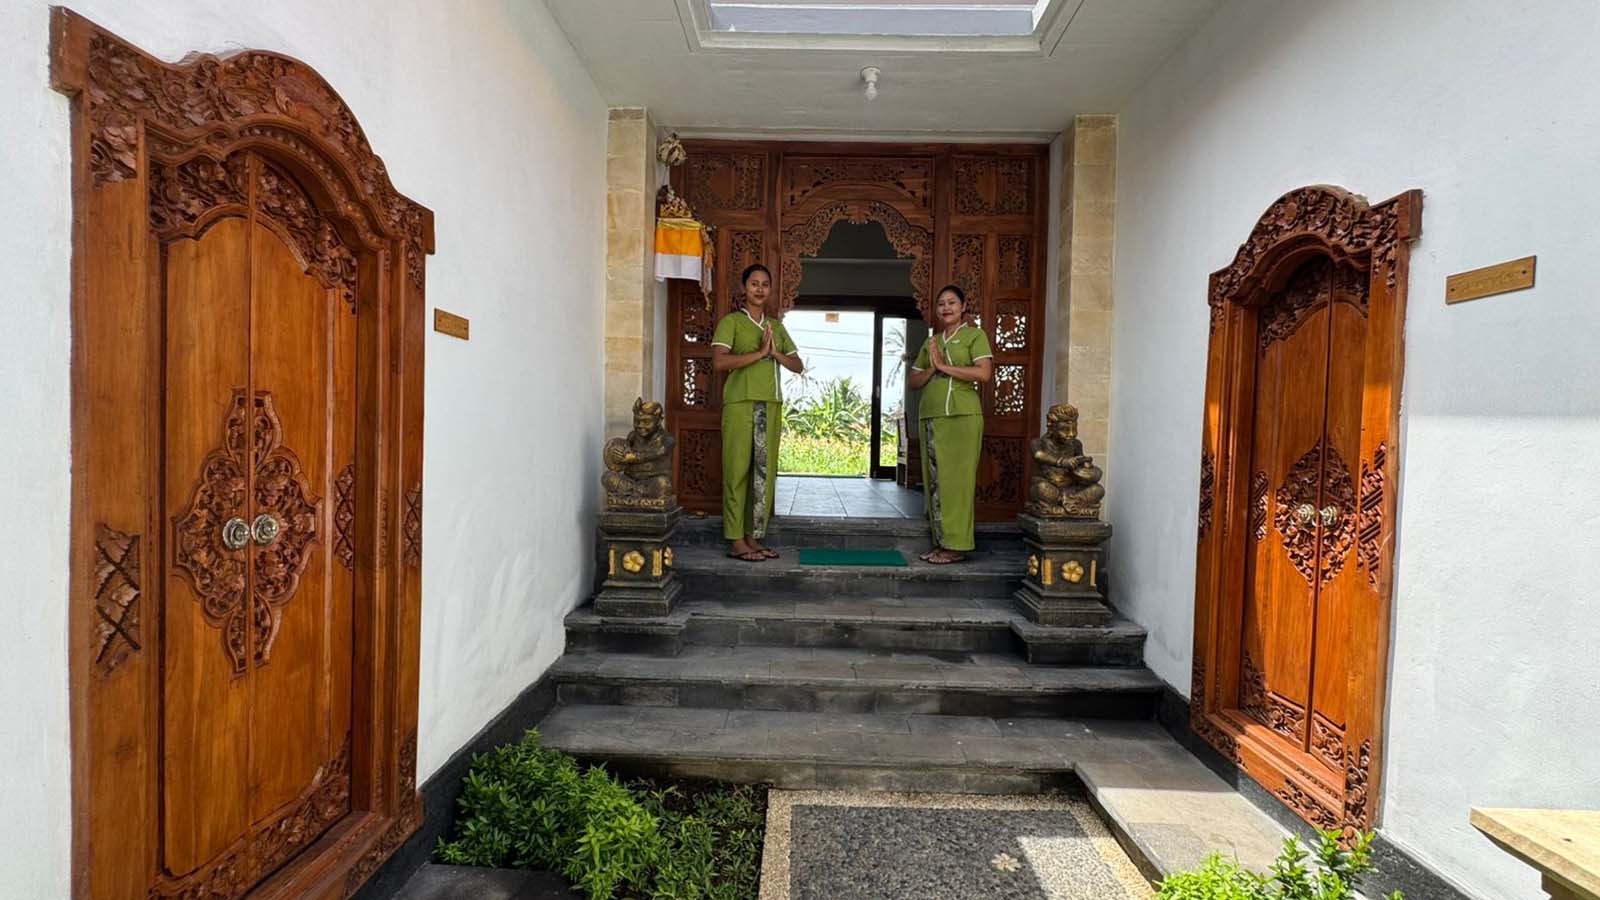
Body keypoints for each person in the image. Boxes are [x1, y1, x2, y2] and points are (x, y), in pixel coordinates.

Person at [711, 264, 804, 562]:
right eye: (754, 283)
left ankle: (753, 536)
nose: (760, 289)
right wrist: (760, 354)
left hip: (770, 404)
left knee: (762, 473)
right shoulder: (731, 322)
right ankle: (735, 539)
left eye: (765, 284)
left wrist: (774, 353)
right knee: (737, 471)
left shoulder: (775, 327)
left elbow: (798, 365)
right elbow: (719, 362)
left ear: (770, 289)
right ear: (744, 288)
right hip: (740, 404)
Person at [907, 284, 993, 564]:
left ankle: (957, 545)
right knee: (935, 482)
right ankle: (941, 543)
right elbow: (913, 381)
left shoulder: (975, 336)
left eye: (952, 302)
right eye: (941, 303)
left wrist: (944, 367)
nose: (946, 308)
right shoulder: (932, 342)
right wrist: (932, 368)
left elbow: (983, 373)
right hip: (931, 415)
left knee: (957, 482)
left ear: (963, 306)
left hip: (962, 416)